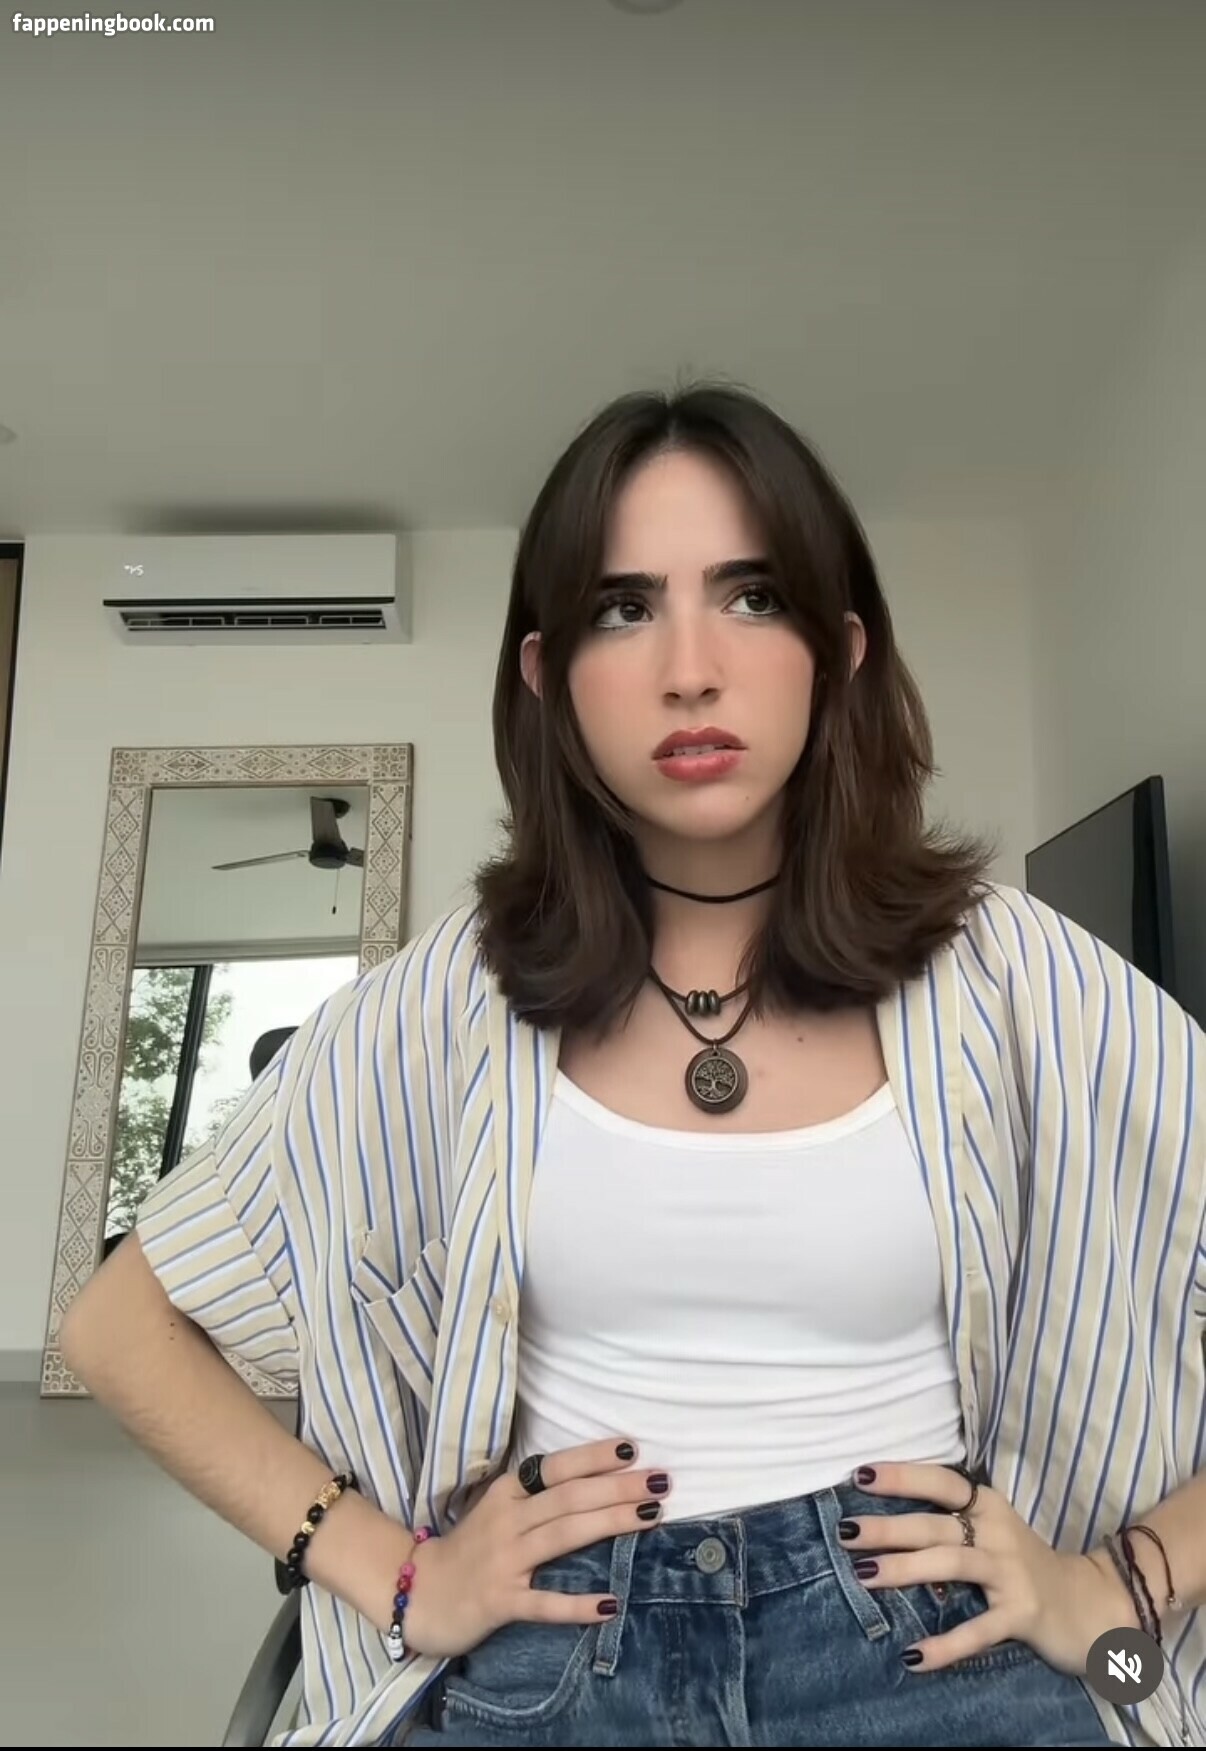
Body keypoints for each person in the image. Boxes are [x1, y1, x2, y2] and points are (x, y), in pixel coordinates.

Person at [62, 384, 1206, 1750]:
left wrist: (1117, 1585)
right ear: (548, 677)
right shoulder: (442, 1005)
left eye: (752, 597)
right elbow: (120, 1329)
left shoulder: (1019, 981)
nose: (688, 669)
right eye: (622, 609)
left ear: (839, 653)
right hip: (555, 1667)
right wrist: (396, 1572)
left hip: (935, 1655)